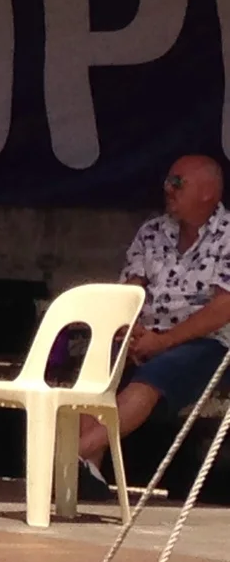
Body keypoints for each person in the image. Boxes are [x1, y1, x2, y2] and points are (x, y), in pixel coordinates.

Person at [79, 155, 230, 478]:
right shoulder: (152, 231)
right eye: (167, 182)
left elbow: (223, 308)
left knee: (156, 375)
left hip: (208, 343)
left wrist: (163, 342)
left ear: (208, 191)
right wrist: (132, 328)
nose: (168, 189)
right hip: (148, 334)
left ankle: (72, 455)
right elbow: (131, 289)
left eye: (177, 182)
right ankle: (87, 472)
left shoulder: (228, 234)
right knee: (96, 365)